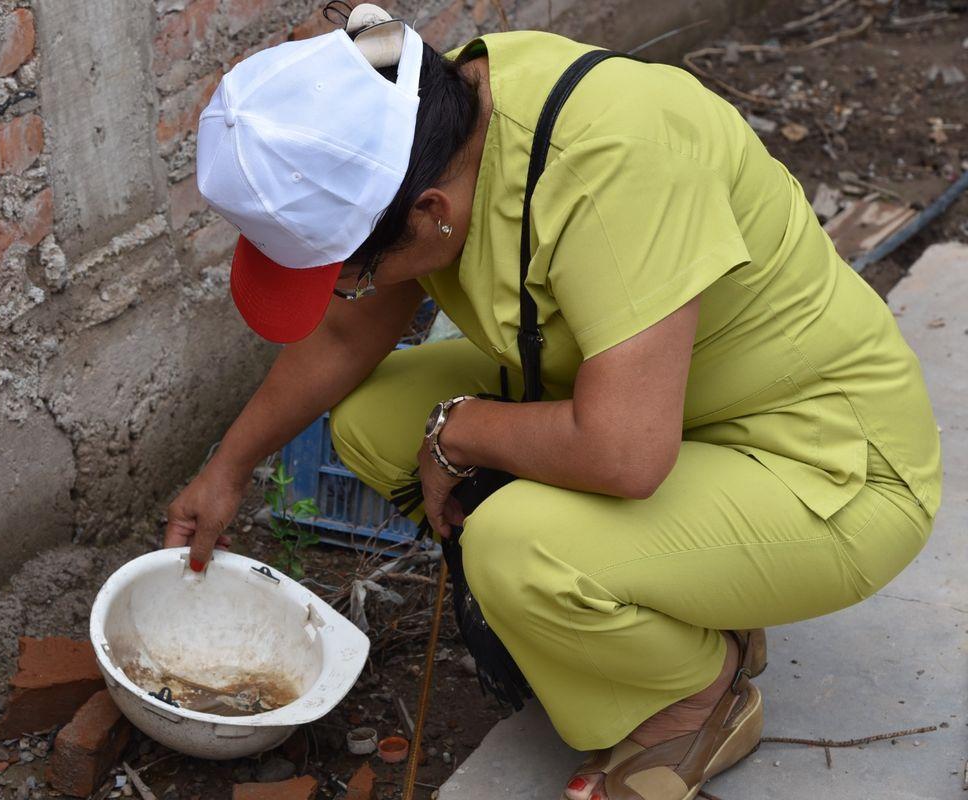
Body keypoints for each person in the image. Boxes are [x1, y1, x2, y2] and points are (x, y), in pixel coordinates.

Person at [161, 11, 941, 800]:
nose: (347, 292)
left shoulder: (617, 159)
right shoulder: (420, 111)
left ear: (433, 214)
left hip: (820, 463)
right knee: (372, 422)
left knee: (512, 545)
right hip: (659, 405)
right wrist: (226, 469)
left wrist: (458, 432)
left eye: (352, 273)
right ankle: (663, 594)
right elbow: (338, 340)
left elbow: (624, 453)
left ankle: (696, 695)